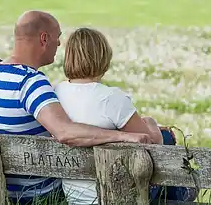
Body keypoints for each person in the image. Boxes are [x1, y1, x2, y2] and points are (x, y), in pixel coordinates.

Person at [0, 11, 152, 205]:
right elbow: (65, 133)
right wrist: (122, 136)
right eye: (58, 38)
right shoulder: (31, 83)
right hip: (35, 195)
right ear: (44, 39)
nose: (60, 45)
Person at [55, 27, 197, 204]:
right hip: (117, 195)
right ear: (103, 58)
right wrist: (151, 123)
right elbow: (152, 144)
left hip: (73, 196)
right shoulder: (111, 98)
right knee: (166, 137)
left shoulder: (56, 92)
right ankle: (181, 196)